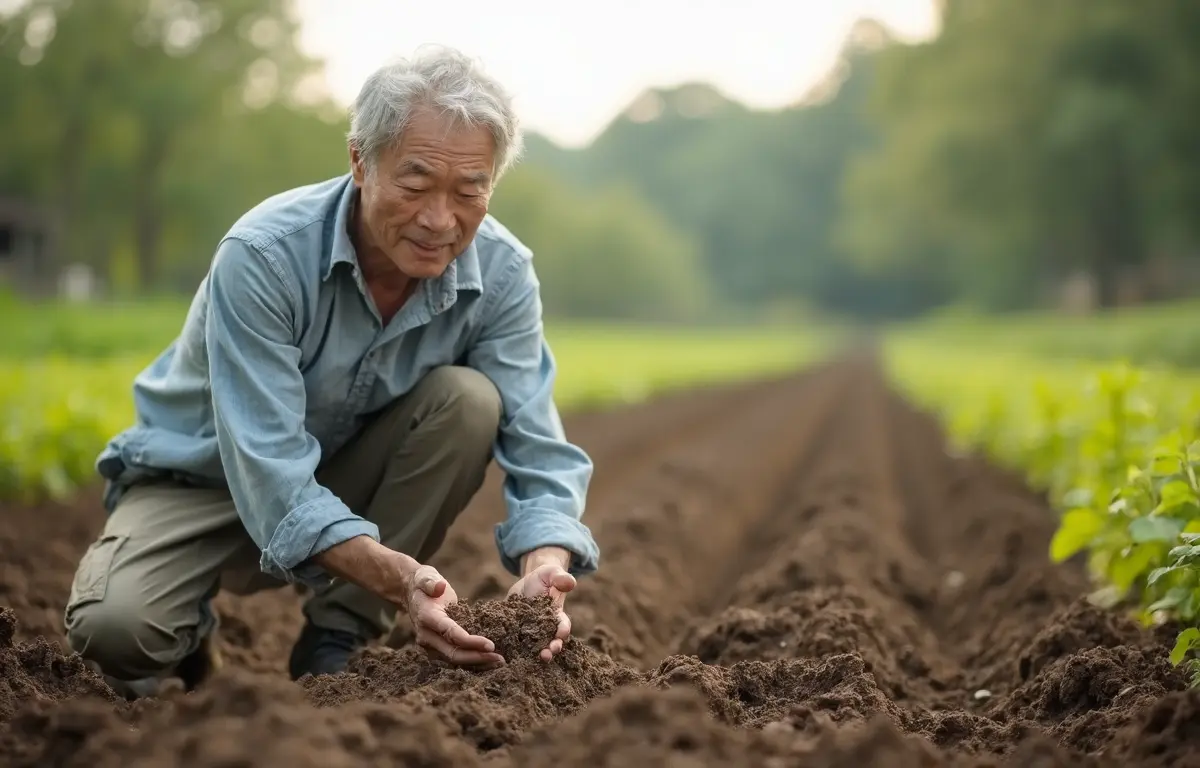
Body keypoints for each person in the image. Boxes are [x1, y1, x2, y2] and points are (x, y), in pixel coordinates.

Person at [62, 45, 600, 699]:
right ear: (359, 162)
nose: (439, 219)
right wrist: (403, 578)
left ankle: (339, 635)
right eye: (415, 183)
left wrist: (545, 565)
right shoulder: (263, 256)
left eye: (469, 191)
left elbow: (539, 445)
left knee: (469, 401)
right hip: (204, 481)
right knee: (117, 634)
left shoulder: (503, 273)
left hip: (345, 473)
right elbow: (270, 470)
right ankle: (185, 625)